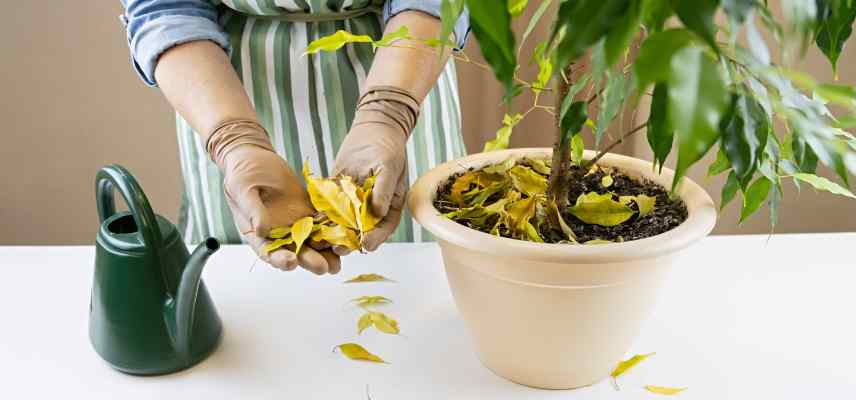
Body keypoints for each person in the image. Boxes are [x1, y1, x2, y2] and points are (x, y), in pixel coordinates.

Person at [119, 0, 469, 275]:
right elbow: (164, 8)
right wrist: (235, 140)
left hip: (403, 71)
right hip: (222, 88)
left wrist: (389, 113)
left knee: (416, 292)